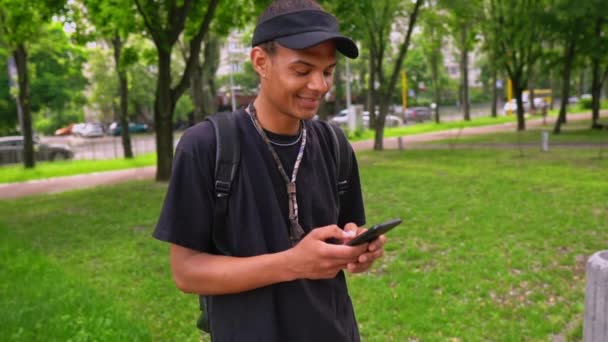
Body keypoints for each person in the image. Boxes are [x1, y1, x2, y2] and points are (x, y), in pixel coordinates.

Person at [154, 0, 387, 340]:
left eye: (328, 71)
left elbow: (346, 229)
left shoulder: (333, 144)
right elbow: (186, 273)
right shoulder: (205, 146)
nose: (320, 86)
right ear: (261, 62)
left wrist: (357, 250)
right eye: (302, 71)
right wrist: (293, 262)